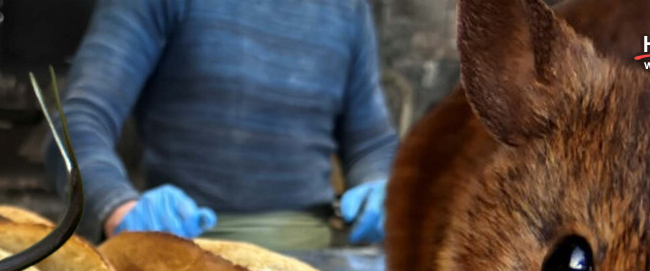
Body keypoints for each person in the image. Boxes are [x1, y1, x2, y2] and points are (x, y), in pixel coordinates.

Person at [45, 0, 398, 251]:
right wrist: (115, 205)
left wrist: (382, 184)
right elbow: (78, 120)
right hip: (184, 251)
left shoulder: (347, 9)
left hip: (313, 255)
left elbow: (371, 144)